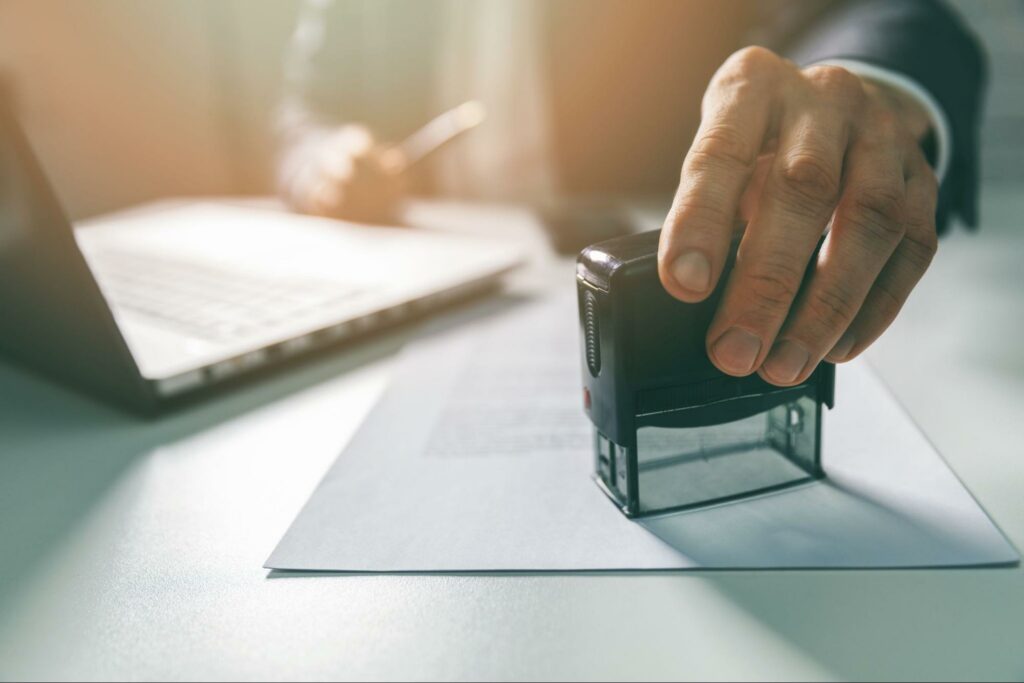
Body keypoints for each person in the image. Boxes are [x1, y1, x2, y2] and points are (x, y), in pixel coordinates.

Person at [276, 0, 985, 388]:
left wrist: (865, 85)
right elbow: (303, 106)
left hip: (657, 276)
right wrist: (319, 156)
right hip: (424, 277)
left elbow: (898, 15)